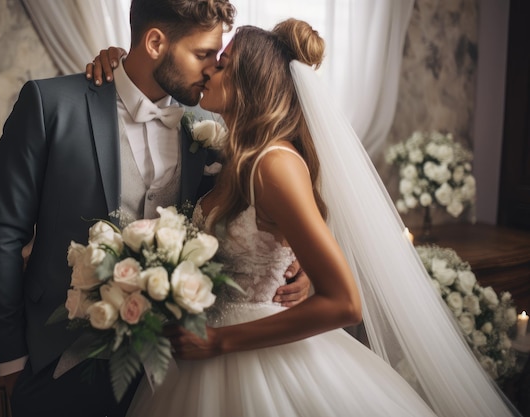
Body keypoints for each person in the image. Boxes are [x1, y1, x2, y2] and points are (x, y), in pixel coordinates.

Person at [90, 19, 521, 417]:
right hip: (201, 358)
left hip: (257, 358)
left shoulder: (274, 164)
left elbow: (346, 302)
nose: (208, 73)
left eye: (221, 65)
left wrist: (220, 341)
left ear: (249, 81)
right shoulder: (233, 159)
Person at [0, 1, 310, 416]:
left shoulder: (213, 121)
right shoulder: (50, 104)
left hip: (177, 373)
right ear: (155, 42)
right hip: (59, 363)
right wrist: (11, 364)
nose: (212, 68)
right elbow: (1, 234)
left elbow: (265, 207)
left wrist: (299, 260)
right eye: (204, 54)